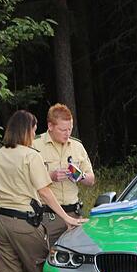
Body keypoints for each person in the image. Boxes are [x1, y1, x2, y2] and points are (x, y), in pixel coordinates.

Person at [0, 110, 85, 272]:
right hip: (25, 221)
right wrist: (67, 218)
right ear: (26, 130)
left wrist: (9, 192)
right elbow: (45, 191)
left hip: (1, 221)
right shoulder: (30, 156)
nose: (34, 134)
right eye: (33, 129)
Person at [32, 103, 96, 247]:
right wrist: (51, 176)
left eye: (70, 129)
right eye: (62, 130)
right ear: (50, 126)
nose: (67, 133)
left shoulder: (77, 146)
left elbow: (91, 180)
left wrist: (80, 176)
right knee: (46, 257)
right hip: (48, 216)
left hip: (74, 213)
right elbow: (27, 181)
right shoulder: (35, 145)